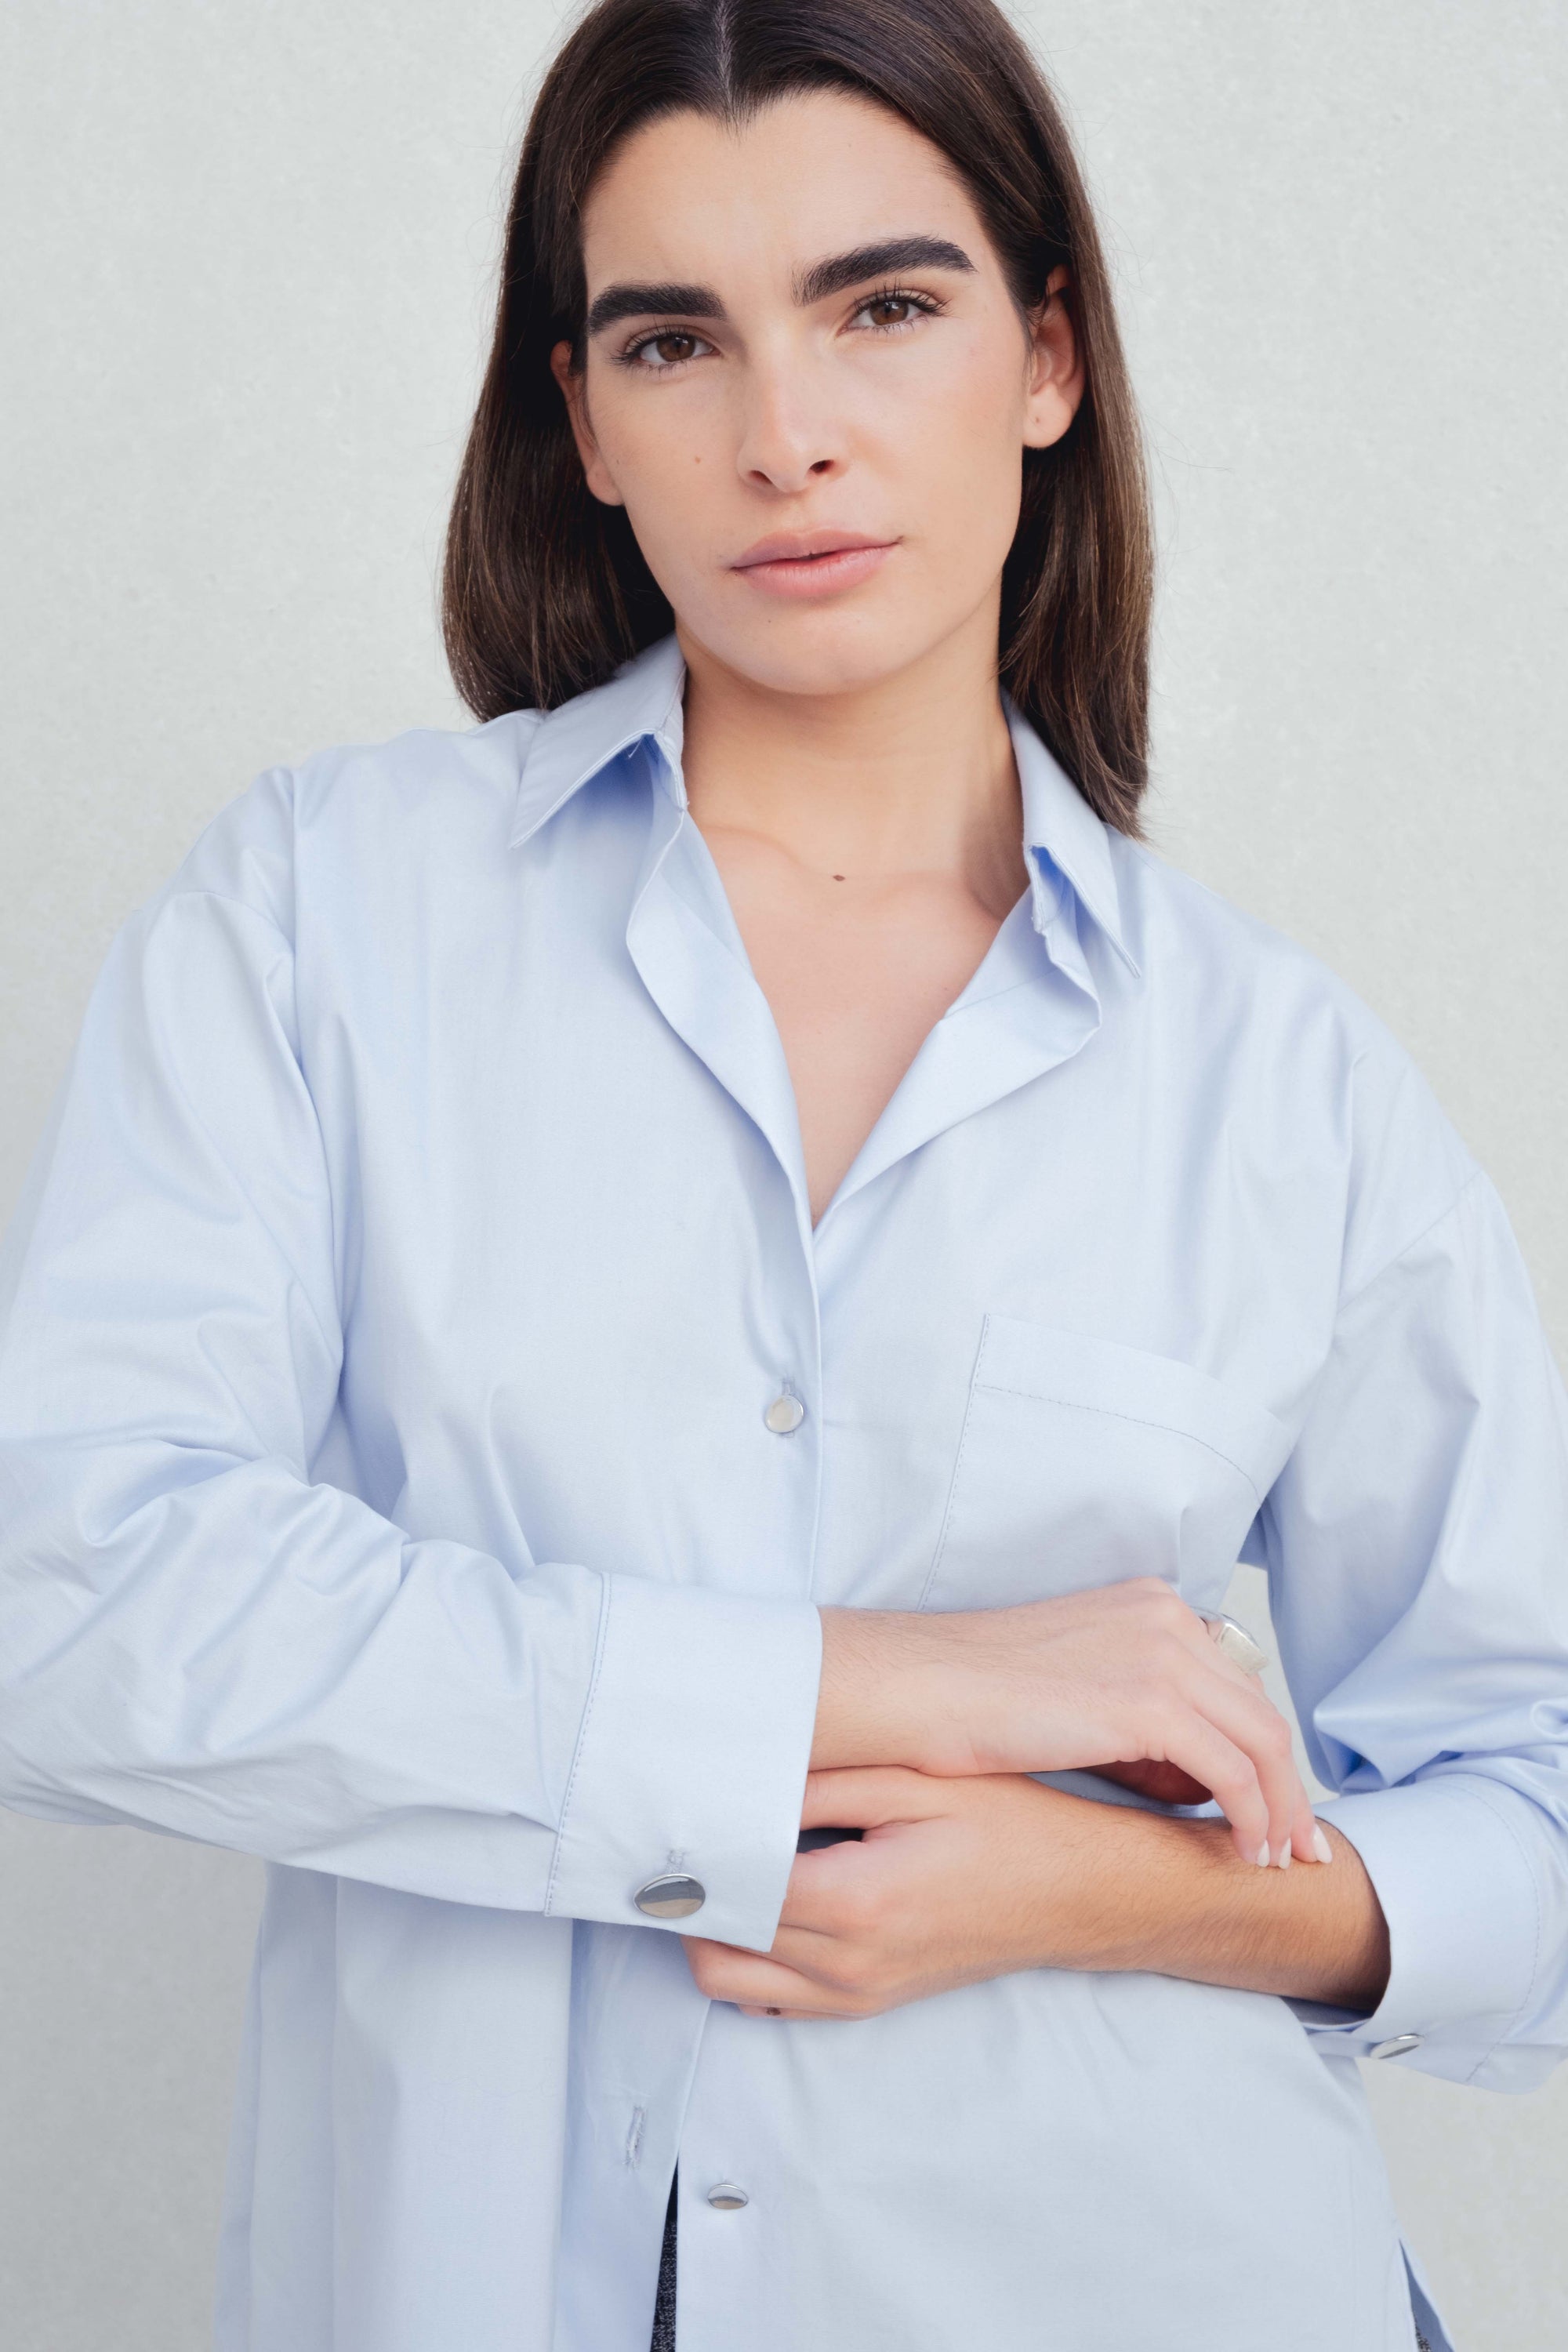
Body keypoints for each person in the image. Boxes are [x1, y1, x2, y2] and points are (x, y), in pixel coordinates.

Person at [0, 0, 1563, 2345]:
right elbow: (76, 1606)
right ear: (584, 425)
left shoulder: (1283, 1083)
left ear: (1046, 358)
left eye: (886, 306)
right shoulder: (325, 916)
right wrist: (879, 1686)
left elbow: (1532, 1806)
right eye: (672, 340)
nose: (787, 435)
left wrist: (1096, 1890)